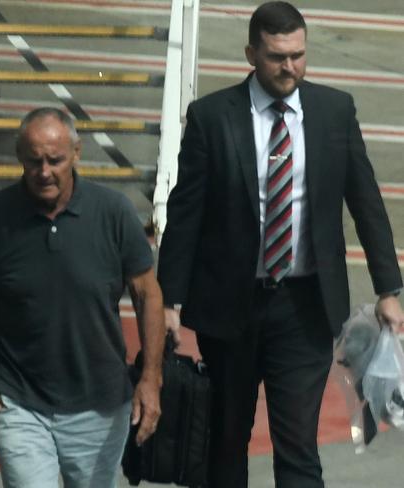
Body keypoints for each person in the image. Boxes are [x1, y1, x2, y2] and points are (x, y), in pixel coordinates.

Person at [157, 2, 404, 488]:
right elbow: (186, 214)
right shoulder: (211, 117)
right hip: (230, 306)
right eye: (276, 56)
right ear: (251, 53)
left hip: (305, 308)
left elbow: (366, 203)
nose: (289, 66)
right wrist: (168, 301)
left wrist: (389, 289)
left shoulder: (335, 111)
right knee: (226, 441)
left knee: (298, 446)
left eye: (298, 55)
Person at [0, 107, 165, 488]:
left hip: (100, 404)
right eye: (34, 160)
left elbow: (147, 293)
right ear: (20, 157)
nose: (45, 171)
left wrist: (151, 377)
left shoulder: (114, 213)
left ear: (77, 152)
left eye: (55, 159)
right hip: (16, 398)